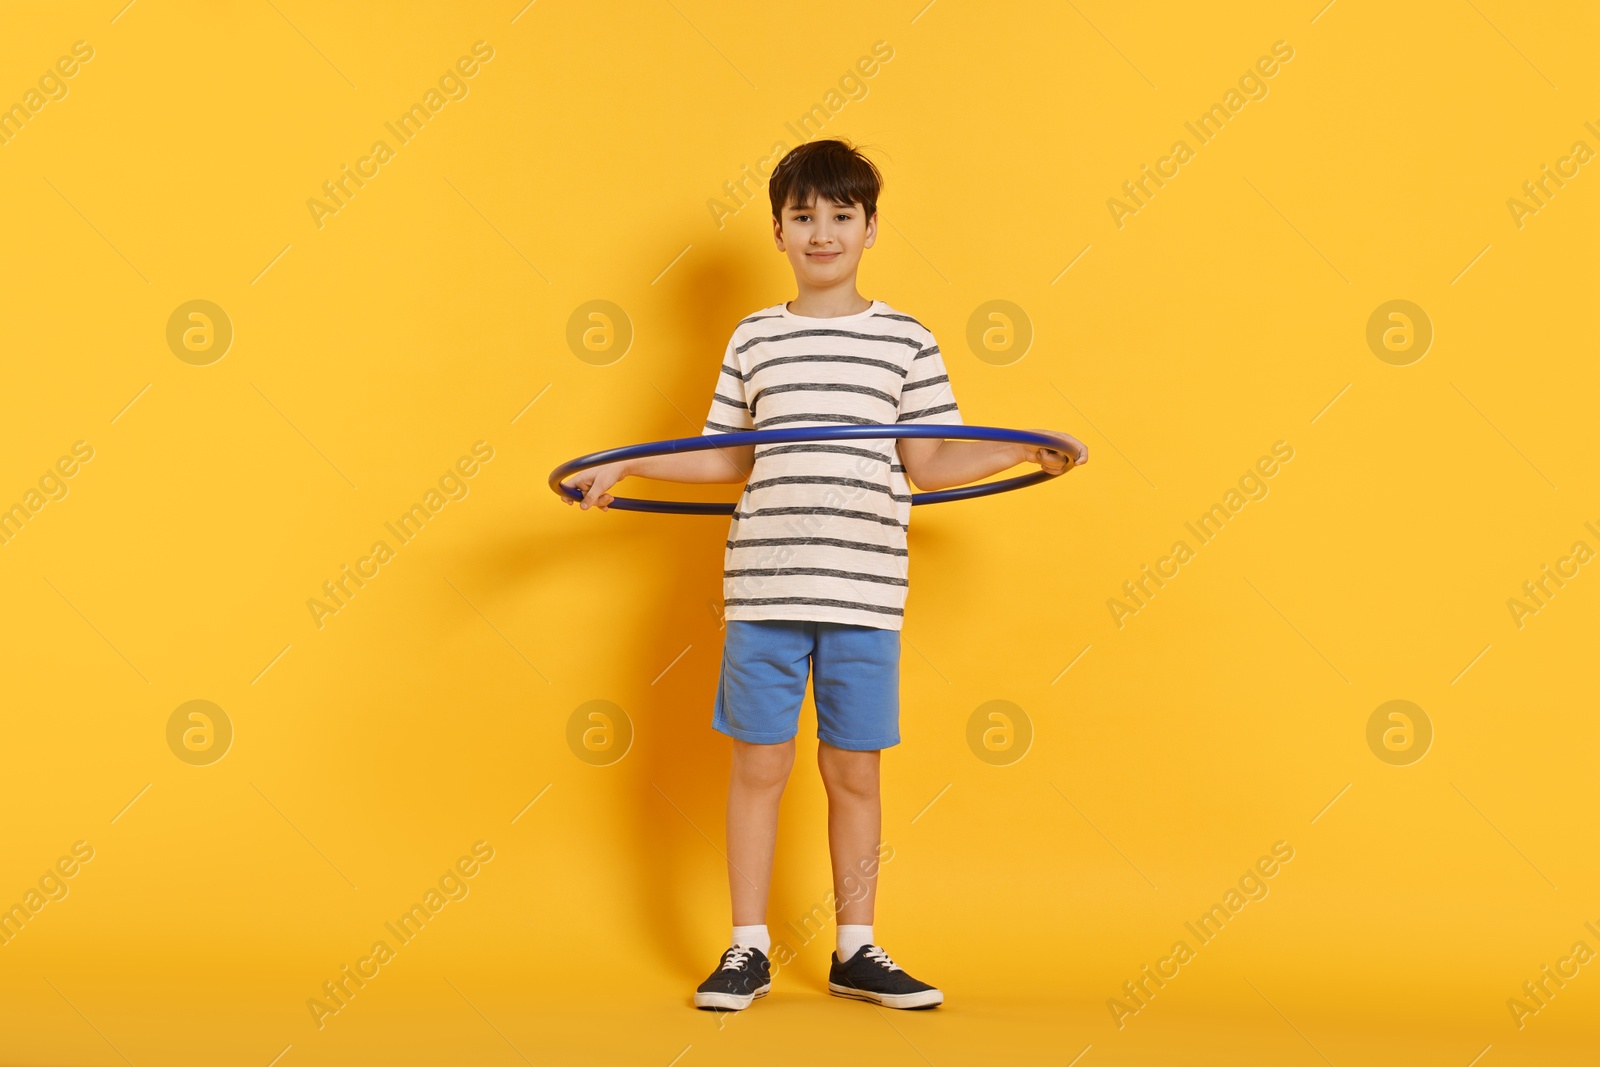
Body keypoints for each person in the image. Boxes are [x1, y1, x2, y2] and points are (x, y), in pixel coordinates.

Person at [560, 138, 1087, 1011]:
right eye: (803, 216)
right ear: (778, 231)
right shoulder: (755, 338)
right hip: (764, 590)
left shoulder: (906, 341)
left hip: (864, 595)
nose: (822, 232)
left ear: (871, 229)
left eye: (841, 216)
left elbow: (930, 461)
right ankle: (746, 948)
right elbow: (725, 461)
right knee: (758, 770)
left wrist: (1016, 454)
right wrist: (627, 469)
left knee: (856, 773)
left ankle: (857, 947)